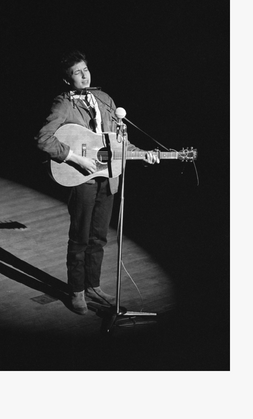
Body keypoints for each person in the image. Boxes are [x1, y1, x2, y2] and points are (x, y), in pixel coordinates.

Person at [36, 50, 159, 315]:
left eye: (86, 69)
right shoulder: (64, 103)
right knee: (80, 237)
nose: (84, 75)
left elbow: (119, 141)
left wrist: (142, 154)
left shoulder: (104, 99)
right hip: (83, 178)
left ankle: (93, 285)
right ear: (68, 80)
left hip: (109, 176)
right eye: (76, 72)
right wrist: (76, 159)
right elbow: (44, 139)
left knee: (99, 237)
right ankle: (77, 291)